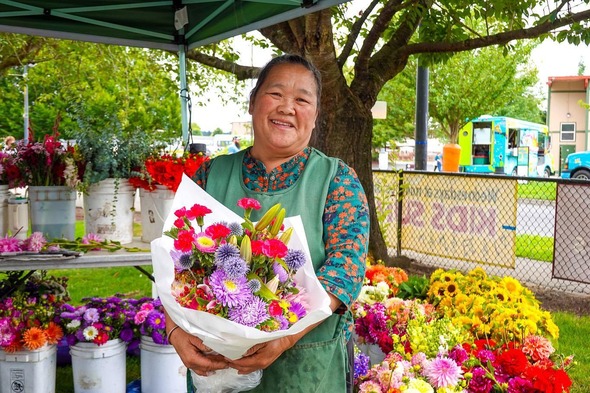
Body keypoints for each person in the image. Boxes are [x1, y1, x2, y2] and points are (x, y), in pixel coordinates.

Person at [163, 54, 370, 392]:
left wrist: (284, 339)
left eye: (302, 99)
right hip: (217, 367)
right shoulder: (210, 176)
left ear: (315, 116)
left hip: (306, 367)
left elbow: (344, 271)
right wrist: (175, 330)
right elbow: (173, 265)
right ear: (252, 102)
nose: (287, 107)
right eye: (275, 94)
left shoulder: (337, 180)